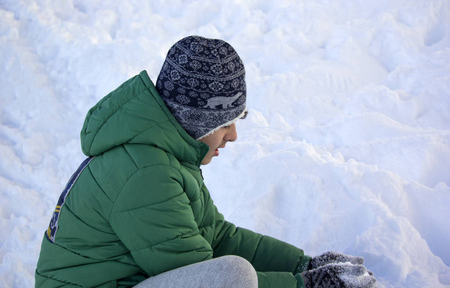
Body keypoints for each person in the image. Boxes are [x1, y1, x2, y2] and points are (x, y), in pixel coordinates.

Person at [35, 36, 377, 288]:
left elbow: (218, 237)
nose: (232, 136)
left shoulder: (161, 154)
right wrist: (307, 285)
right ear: (197, 121)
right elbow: (207, 275)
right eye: (224, 123)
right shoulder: (145, 173)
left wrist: (304, 263)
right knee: (233, 279)